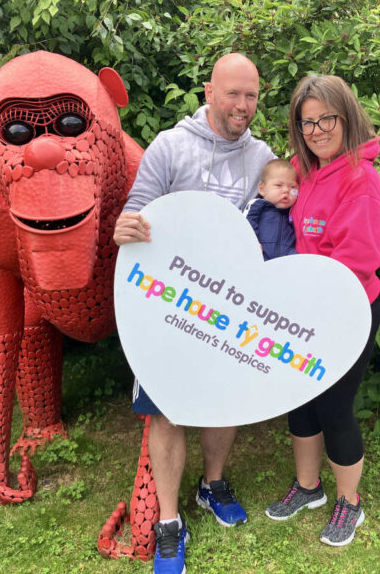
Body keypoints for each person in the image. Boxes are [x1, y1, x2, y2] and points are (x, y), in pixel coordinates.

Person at [113, 52, 275, 574]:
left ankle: (212, 484)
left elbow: (273, 228)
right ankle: (167, 522)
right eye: (233, 94)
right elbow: (136, 211)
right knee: (165, 409)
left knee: (222, 403)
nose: (243, 106)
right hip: (167, 306)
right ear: (208, 91)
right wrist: (125, 228)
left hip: (227, 308)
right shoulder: (171, 146)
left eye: (251, 95)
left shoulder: (262, 156)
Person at [264, 74, 380, 548]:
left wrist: (316, 304)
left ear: (347, 117)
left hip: (346, 310)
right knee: (299, 398)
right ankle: (308, 488)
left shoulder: (360, 178)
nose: (316, 130)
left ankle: (349, 503)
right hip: (302, 310)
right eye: (307, 121)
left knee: (335, 407)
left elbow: (358, 261)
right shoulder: (303, 170)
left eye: (326, 119)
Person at [243, 159, 299, 261]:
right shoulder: (257, 205)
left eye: (292, 187)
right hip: (260, 254)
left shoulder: (295, 210)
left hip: (287, 257)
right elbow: (246, 224)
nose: (286, 190)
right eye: (278, 185)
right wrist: (251, 242)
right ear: (262, 189)